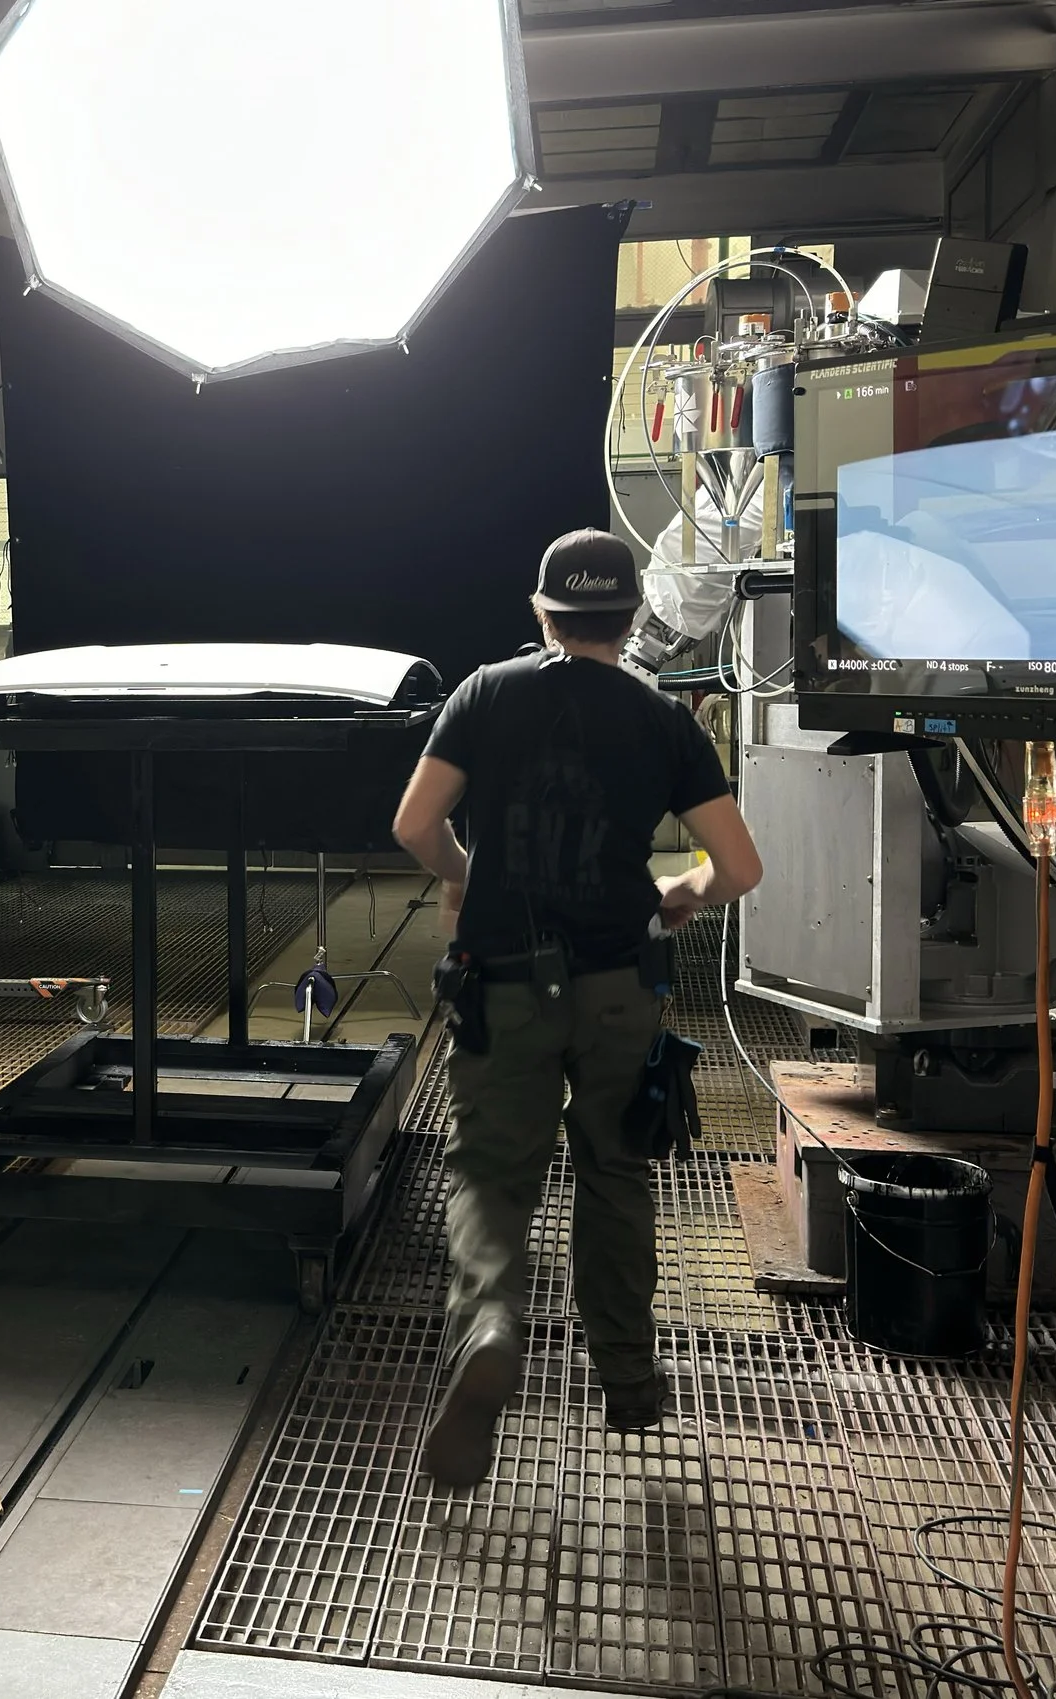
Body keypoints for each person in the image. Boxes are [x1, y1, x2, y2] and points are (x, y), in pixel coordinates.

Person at [391, 528, 764, 1488]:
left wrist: (465, 877)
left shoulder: (485, 693)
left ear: (542, 613)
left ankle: (487, 1328)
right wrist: (678, 892)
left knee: (488, 1173)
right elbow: (741, 868)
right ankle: (631, 1380)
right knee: (615, 1172)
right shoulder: (663, 719)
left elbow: (415, 824)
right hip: (618, 987)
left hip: (504, 982)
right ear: (633, 614)